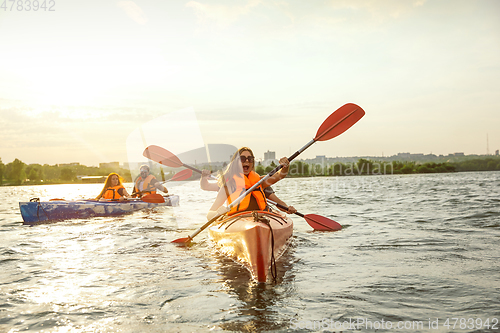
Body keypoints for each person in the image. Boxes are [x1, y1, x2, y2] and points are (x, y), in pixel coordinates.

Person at [206, 147, 294, 220]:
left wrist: (285, 166)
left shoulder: (259, 182)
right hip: (239, 220)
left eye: (250, 159)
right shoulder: (229, 185)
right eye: (242, 159)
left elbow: (279, 175)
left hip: (262, 217)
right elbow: (209, 214)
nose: (247, 161)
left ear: (252, 162)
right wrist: (218, 213)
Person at [201, 169, 297, 214]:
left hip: (261, 215)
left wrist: (287, 208)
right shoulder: (230, 184)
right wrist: (204, 177)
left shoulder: (258, 183)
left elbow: (278, 202)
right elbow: (206, 186)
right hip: (237, 217)